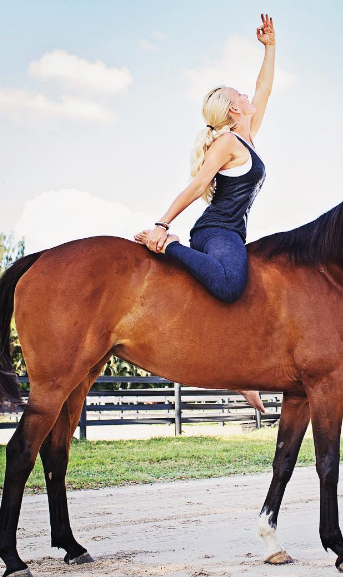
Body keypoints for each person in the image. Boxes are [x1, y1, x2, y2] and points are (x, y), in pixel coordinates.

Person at [134, 14, 275, 412]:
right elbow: (198, 186)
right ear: (233, 109)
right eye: (240, 95)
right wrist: (164, 226)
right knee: (231, 286)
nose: (248, 95)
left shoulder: (248, 134)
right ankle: (171, 248)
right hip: (214, 232)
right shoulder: (227, 144)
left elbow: (265, 88)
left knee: (249, 296)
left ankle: (243, 375)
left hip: (232, 233)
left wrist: (270, 47)